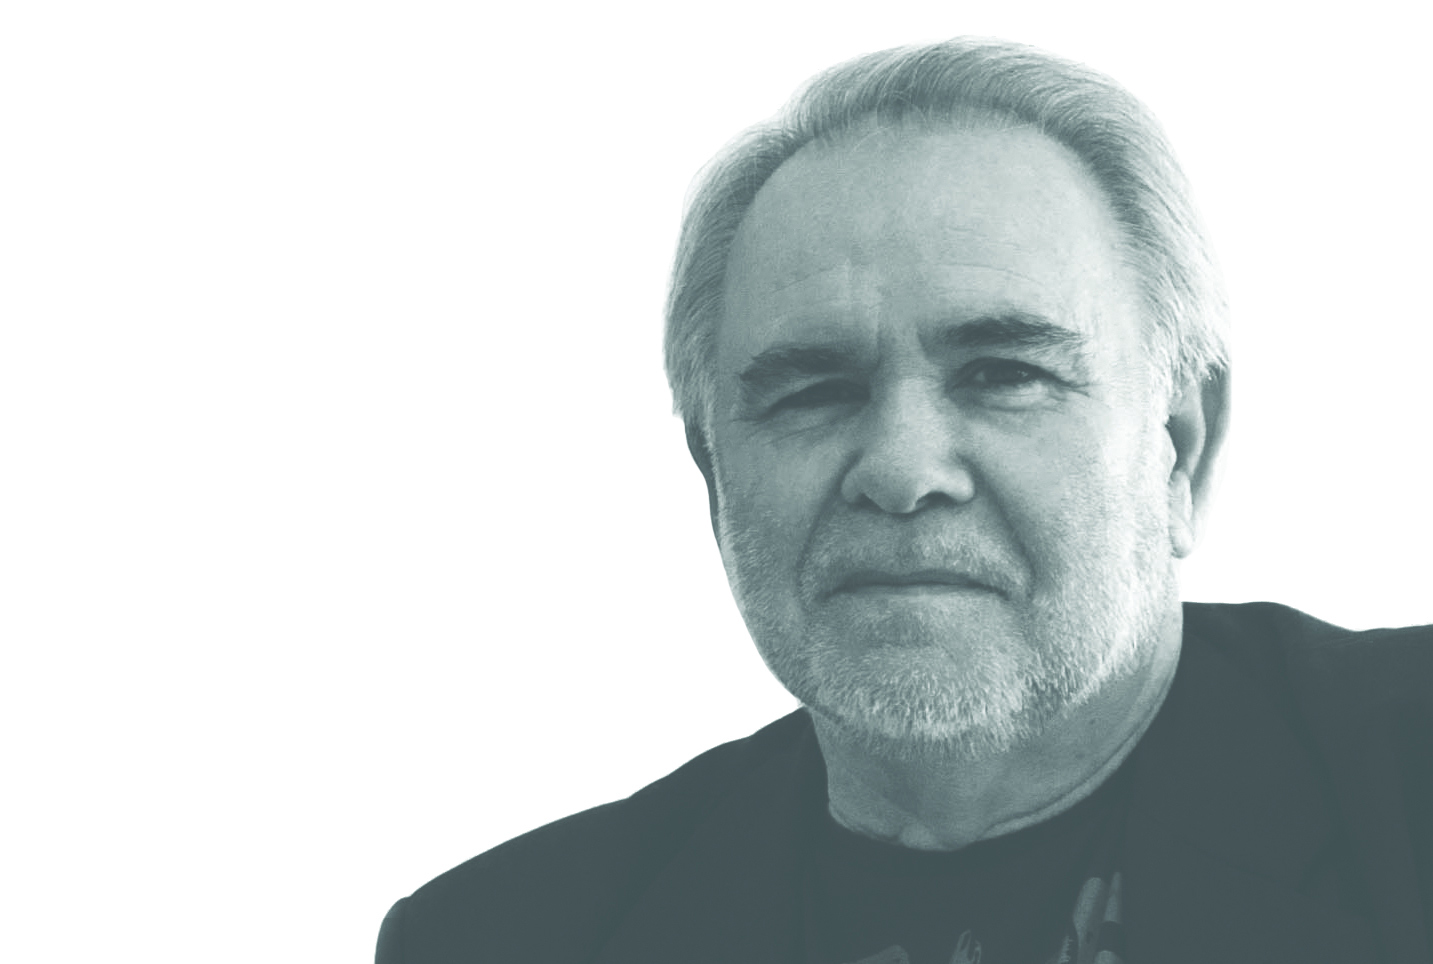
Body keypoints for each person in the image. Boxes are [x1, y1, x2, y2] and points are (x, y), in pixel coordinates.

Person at [375, 38, 1432, 964]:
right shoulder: (504, 939)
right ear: (714, 479)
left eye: (1003, 373)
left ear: (1178, 450)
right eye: (811, 390)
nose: (900, 469)